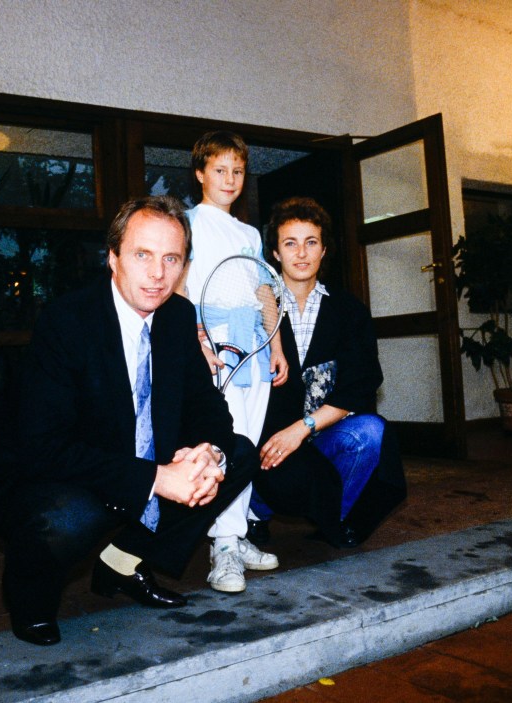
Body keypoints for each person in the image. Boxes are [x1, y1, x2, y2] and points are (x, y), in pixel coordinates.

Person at [0, 195, 258, 646]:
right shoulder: (67, 321)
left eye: (172, 259)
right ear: (113, 257)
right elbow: (43, 447)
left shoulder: (178, 316)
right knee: (69, 517)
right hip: (56, 474)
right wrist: (156, 478)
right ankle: (29, 599)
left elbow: (210, 410)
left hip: (131, 465)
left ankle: (123, 561)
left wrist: (208, 453)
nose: (157, 274)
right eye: (142, 255)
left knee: (237, 454)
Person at [252, 196, 406, 548]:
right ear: (275, 253)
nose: (301, 253)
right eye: (290, 243)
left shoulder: (349, 310)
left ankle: (332, 514)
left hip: (321, 433)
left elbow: (362, 384)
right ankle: (254, 513)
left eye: (311, 242)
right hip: (271, 440)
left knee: (370, 431)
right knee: (246, 446)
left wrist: (302, 429)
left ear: (324, 250)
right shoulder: (258, 307)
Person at [180, 131, 287, 593]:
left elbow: (263, 291)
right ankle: (222, 547)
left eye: (238, 171)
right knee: (229, 441)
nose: (229, 179)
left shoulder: (247, 232)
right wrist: (199, 344)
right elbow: (182, 289)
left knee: (250, 437)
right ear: (201, 173)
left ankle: (236, 534)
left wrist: (277, 345)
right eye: (220, 170)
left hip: (256, 347)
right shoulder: (189, 223)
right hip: (219, 344)